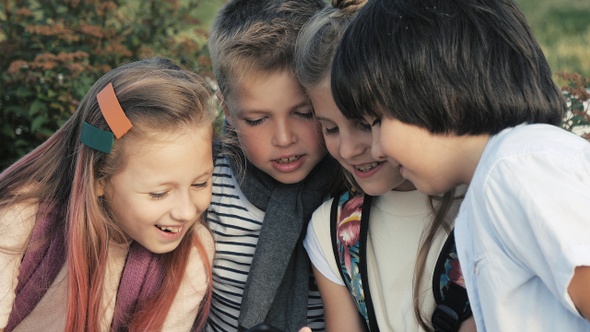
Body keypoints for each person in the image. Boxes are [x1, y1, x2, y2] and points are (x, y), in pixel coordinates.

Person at [330, 0, 590, 331]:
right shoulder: (488, 190)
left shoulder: (512, 170)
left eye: (377, 120)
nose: (377, 148)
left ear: (435, 91)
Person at [294, 1, 474, 331]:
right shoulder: (331, 232)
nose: (348, 149)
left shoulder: (484, 206)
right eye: (330, 128)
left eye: (364, 123)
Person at [0, 57, 216, 332]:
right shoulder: (20, 217)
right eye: (159, 193)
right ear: (99, 179)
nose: (186, 212)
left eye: (200, 184)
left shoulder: (192, 254)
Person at [205, 0, 341, 331]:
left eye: (304, 112)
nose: (283, 138)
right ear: (227, 108)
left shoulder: (354, 183)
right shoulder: (204, 184)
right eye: (257, 119)